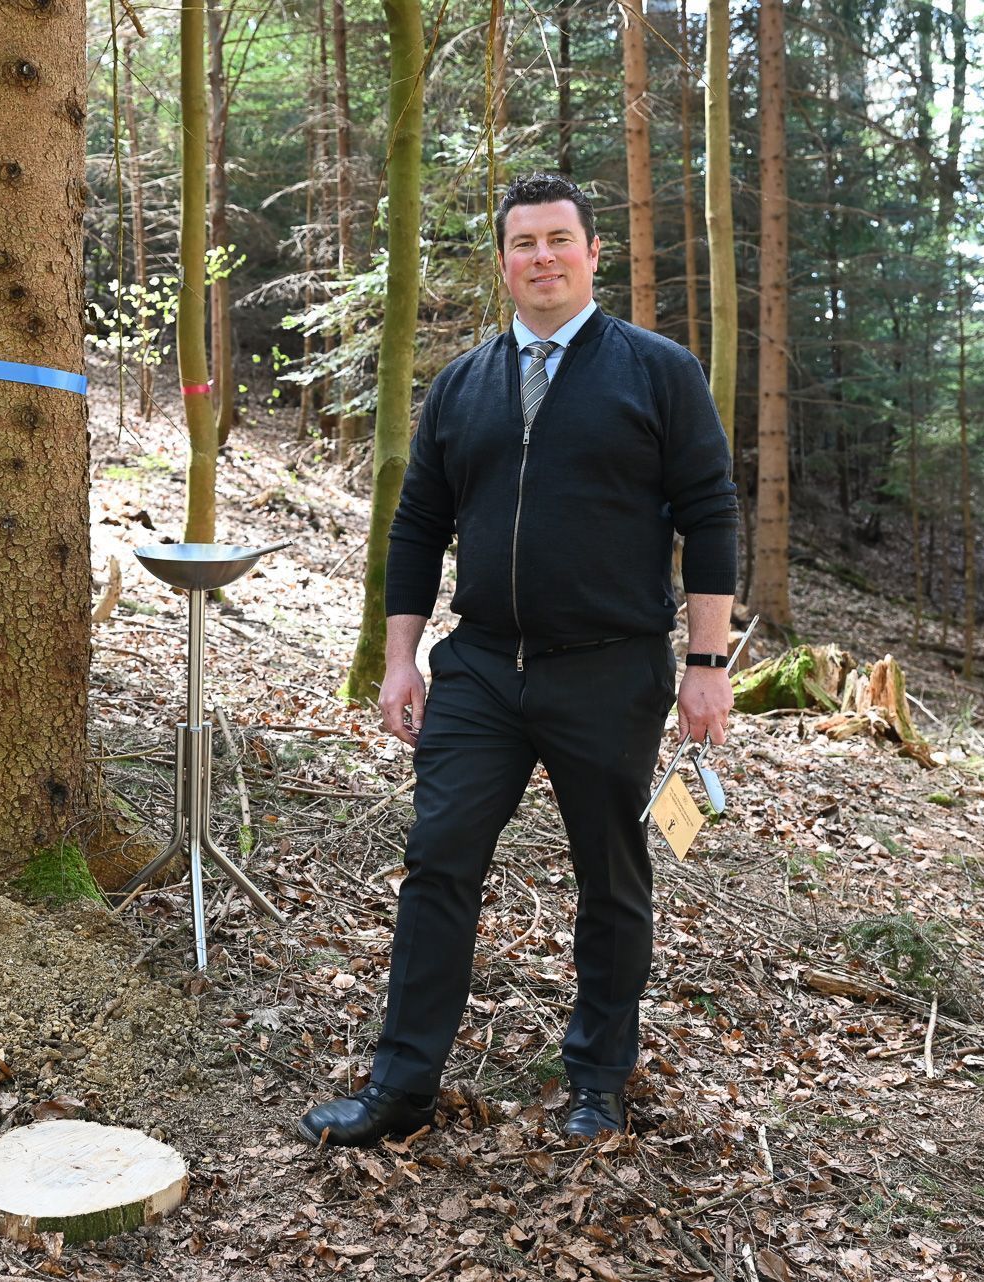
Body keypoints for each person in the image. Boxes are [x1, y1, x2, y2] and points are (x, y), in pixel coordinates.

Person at [298, 173, 739, 1147]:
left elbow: (710, 512)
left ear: (592, 254)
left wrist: (707, 660)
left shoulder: (658, 372)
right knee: (438, 862)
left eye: (559, 239)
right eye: (524, 243)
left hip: (611, 669)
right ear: (503, 261)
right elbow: (418, 527)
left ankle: (597, 1081)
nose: (542, 257)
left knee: (613, 875)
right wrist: (401, 660)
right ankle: (402, 1086)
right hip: (483, 670)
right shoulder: (463, 385)